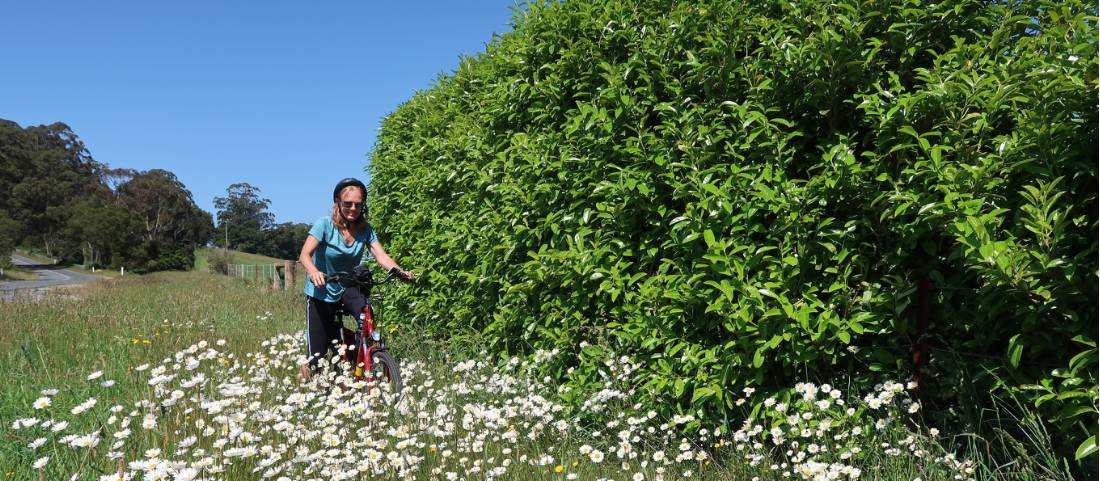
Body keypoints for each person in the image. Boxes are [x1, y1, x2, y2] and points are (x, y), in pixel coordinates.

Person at [298, 177, 413, 378]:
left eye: (358, 204)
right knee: (316, 358)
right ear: (338, 203)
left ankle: (362, 363)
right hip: (321, 289)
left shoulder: (365, 229)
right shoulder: (325, 225)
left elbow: (381, 255)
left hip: (347, 286)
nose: (353, 208)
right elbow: (304, 255)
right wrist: (314, 271)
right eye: (348, 203)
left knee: (365, 313)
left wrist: (400, 271)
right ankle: (311, 380)